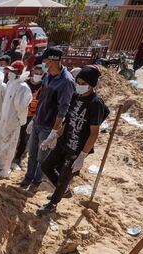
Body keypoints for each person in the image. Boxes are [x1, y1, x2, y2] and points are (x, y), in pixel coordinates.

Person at [37, 66, 108, 215]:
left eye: (83, 83)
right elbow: (68, 121)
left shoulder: (95, 103)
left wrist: (82, 155)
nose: (79, 85)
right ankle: (63, 191)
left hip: (77, 149)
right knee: (46, 165)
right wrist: (54, 135)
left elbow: (94, 133)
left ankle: (53, 204)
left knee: (64, 176)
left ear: (91, 85)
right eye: (78, 82)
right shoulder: (76, 97)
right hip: (65, 141)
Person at [20, 47, 75, 191]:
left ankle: (36, 182)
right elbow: (42, 99)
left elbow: (63, 109)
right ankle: (28, 178)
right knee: (32, 154)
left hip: (48, 126)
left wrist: (54, 132)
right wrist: (34, 119)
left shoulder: (66, 81)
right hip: (38, 122)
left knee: (42, 158)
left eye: (44, 61)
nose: (43, 64)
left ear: (51, 61)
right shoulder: (47, 76)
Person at [0, 61, 32, 178]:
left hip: (13, 121)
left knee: (9, 145)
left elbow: (22, 107)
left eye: (13, 71)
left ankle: (5, 170)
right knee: (0, 142)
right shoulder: (10, 83)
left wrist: (21, 121)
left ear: (19, 72)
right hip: (4, 119)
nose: (10, 73)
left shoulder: (23, 88)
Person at [12, 64, 44, 169]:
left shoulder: (44, 87)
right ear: (32, 72)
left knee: (24, 137)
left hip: (31, 116)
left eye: (40, 74)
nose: (37, 75)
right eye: (36, 73)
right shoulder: (24, 84)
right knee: (13, 134)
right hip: (19, 113)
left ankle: (18, 157)